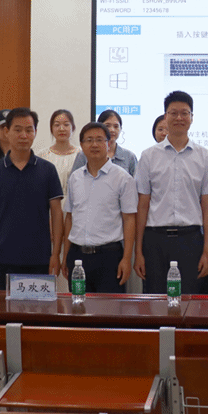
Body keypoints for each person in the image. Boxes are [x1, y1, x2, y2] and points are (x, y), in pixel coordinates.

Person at [134, 91, 208, 295]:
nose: (179, 118)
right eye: (173, 113)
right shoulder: (148, 156)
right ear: (165, 116)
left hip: (191, 240)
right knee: (156, 301)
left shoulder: (204, 157)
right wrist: (139, 251)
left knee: (189, 302)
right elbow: (142, 205)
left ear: (191, 117)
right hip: (155, 240)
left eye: (184, 113)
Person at [0, 107, 64, 290]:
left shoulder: (47, 170)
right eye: (17, 130)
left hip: (39, 258)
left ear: (35, 132)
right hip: (0, 258)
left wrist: (55, 254)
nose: (24, 135)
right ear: (6, 131)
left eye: (29, 130)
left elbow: (57, 213)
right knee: (1, 308)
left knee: (37, 308)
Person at [62, 122, 137, 293]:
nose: (94, 144)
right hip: (77, 256)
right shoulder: (75, 178)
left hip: (109, 257)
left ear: (108, 144)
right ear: (81, 145)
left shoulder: (123, 178)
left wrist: (126, 259)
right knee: (78, 306)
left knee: (109, 309)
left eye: (99, 140)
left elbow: (129, 219)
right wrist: (65, 256)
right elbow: (70, 217)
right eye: (89, 140)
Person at [71, 109, 137, 177]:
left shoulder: (129, 156)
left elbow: (135, 182)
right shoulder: (84, 155)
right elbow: (74, 179)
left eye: (116, 126)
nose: (112, 130)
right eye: (107, 126)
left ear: (120, 129)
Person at [37, 109, 79, 195]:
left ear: (73, 128)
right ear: (51, 129)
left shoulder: (81, 154)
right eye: (57, 125)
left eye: (66, 124)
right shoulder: (42, 155)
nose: (61, 129)